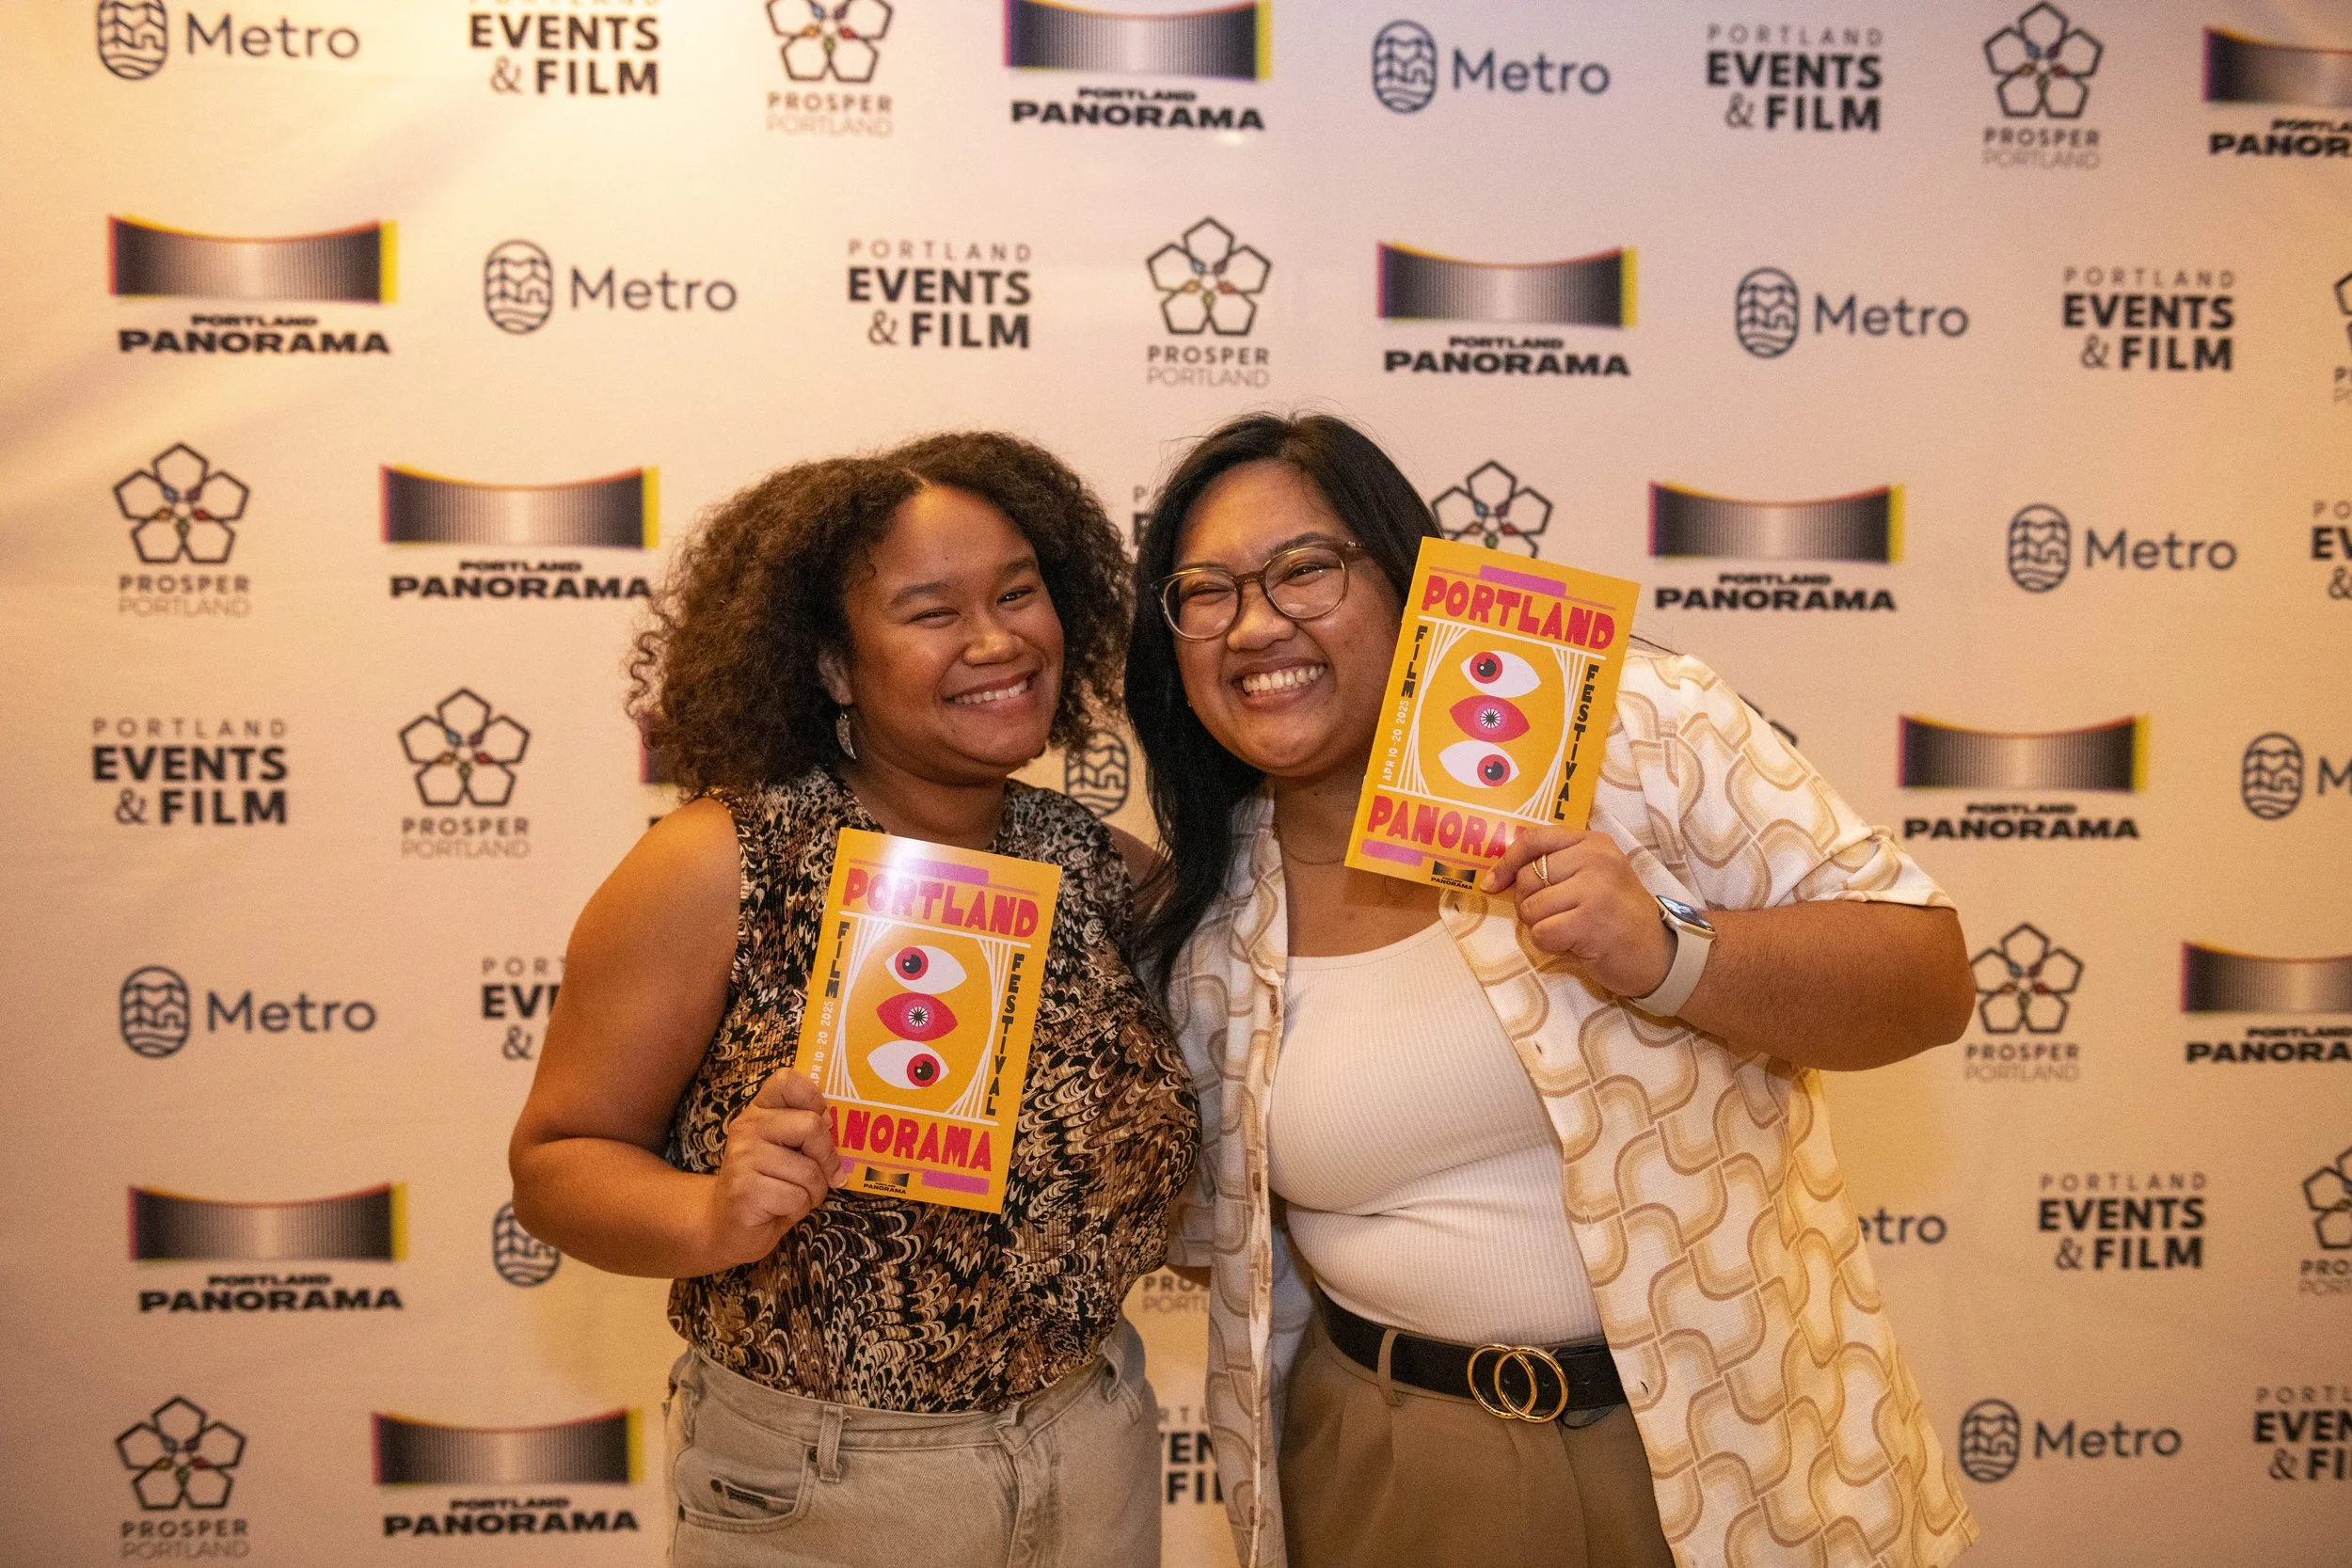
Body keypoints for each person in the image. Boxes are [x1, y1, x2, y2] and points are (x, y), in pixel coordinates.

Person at [1124, 412, 1979, 1568]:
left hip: (1732, 1448)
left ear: (1408, 577)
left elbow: (1928, 977)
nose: (1257, 622)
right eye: (1206, 591)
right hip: (1396, 1470)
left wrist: (1673, 951)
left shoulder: (1629, 728)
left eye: (1306, 568)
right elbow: (1191, 1231)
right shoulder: (1207, 916)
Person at [510, 432, 1198, 1568]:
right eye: (931, 611)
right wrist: (712, 1213)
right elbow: (556, 1160)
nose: (996, 639)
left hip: (1095, 1454)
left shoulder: (1102, 871)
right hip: (826, 1491)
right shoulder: (718, 863)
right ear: (832, 664)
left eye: (1017, 592)